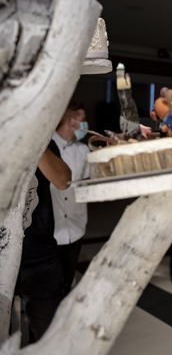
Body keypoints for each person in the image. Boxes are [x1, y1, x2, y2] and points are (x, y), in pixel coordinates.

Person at [16, 144, 71, 343]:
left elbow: (63, 180)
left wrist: (34, 138)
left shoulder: (40, 136)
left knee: (51, 339)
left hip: (39, 255)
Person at [50, 101, 91, 295]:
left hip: (76, 227)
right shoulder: (47, 147)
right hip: (51, 230)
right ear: (70, 119)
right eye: (82, 119)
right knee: (48, 286)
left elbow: (91, 182)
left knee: (67, 281)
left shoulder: (83, 150)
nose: (85, 125)